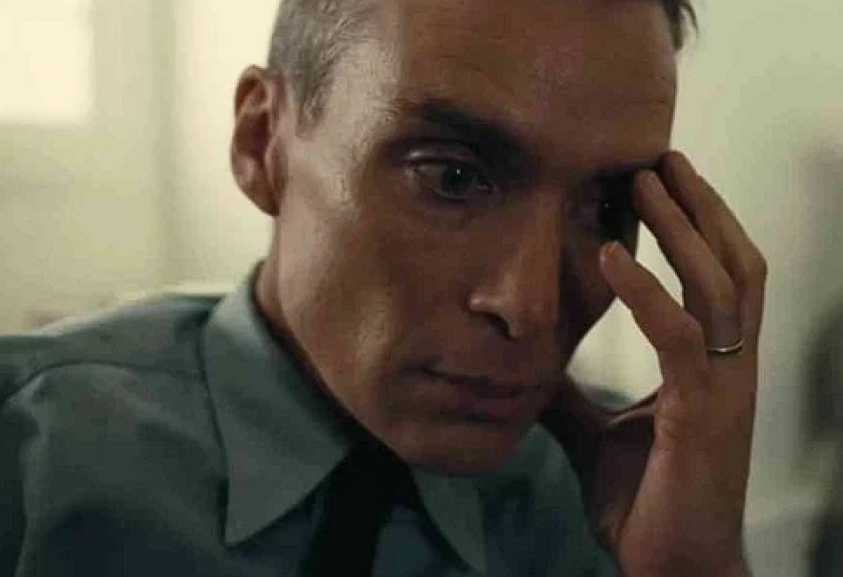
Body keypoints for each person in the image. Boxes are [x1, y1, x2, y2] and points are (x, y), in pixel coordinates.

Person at [0, 0, 767, 575]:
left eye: (605, 208)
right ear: (262, 141)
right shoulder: (30, 456)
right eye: (452, 177)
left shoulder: (616, 500)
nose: (529, 306)